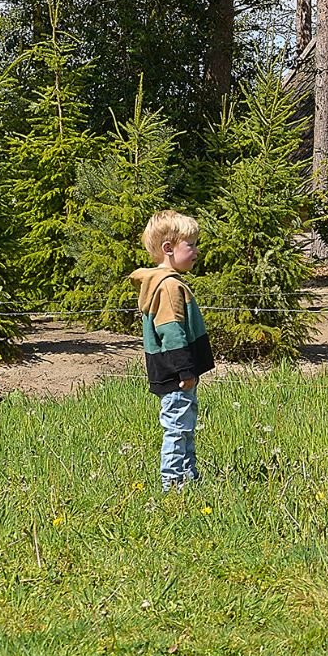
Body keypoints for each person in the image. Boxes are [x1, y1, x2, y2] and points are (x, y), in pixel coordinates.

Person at [129, 210, 214, 491]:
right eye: (190, 245)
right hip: (176, 373)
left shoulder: (168, 283)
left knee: (185, 426)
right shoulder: (168, 287)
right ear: (168, 248)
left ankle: (189, 479)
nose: (197, 251)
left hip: (176, 372)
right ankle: (172, 483)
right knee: (177, 428)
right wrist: (185, 370)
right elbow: (171, 332)